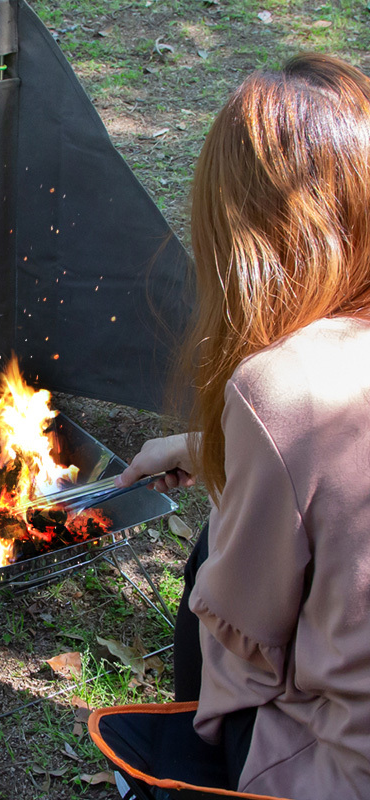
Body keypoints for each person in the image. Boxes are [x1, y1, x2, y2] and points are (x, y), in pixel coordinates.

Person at [109, 53, 370, 799]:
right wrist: (215, 450)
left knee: (208, 564)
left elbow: (246, 645)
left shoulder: (280, 388)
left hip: (339, 772)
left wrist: (236, 492)